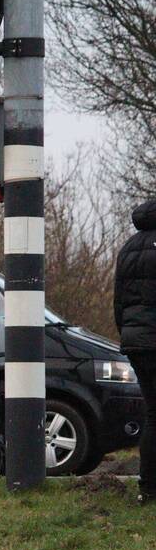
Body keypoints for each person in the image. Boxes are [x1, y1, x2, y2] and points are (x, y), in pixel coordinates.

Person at [114, 200, 156, 504]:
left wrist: (128, 334)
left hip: (136, 342)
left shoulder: (128, 249)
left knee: (153, 413)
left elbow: (119, 302)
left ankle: (148, 487)